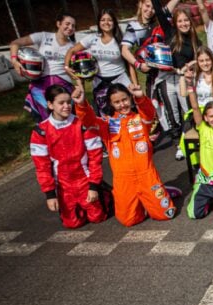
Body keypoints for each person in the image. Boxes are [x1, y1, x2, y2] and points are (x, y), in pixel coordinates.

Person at [75, 83, 176, 226]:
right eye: (117, 102)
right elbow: (88, 120)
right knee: (128, 221)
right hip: (123, 179)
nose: (122, 104)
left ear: (130, 98)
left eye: (124, 100)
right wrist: (81, 105)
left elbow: (149, 112)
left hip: (146, 175)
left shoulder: (140, 119)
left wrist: (140, 96)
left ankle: (157, 193)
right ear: (111, 104)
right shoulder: (107, 123)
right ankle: (144, 202)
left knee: (166, 214)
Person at [30, 85, 107, 229]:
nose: (66, 106)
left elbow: (95, 158)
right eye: (61, 103)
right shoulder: (40, 131)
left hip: (85, 180)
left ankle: (105, 194)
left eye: (68, 102)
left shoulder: (83, 124)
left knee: (98, 217)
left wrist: (93, 186)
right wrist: (50, 195)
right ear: (50, 104)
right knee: (72, 224)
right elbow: (42, 167)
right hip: (63, 185)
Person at [150, 0, 201, 160]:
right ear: (175, 23)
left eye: (186, 20)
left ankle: (188, 140)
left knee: (187, 112)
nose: (184, 24)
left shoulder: (194, 39)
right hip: (168, 78)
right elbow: (159, 12)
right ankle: (178, 144)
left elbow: (201, 58)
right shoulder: (171, 33)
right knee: (172, 113)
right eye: (180, 21)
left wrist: (190, 65)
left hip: (185, 79)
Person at [10, 12, 76, 123]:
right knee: (45, 119)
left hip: (63, 85)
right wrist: (14, 60)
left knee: (66, 117)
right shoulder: (43, 36)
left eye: (73, 26)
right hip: (41, 86)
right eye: (67, 24)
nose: (70, 28)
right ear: (58, 24)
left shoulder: (73, 46)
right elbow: (15, 43)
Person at [65, 9, 129, 115]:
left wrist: (134, 82)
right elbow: (72, 51)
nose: (106, 23)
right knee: (104, 114)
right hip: (99, 82)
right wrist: (67, 68)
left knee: (126, 110)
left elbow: (129, 62)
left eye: (109, 20)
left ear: (114, 22)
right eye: (103, 20)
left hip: (120, 80)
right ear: (99, 23)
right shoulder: (92, 38)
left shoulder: (120, 39)